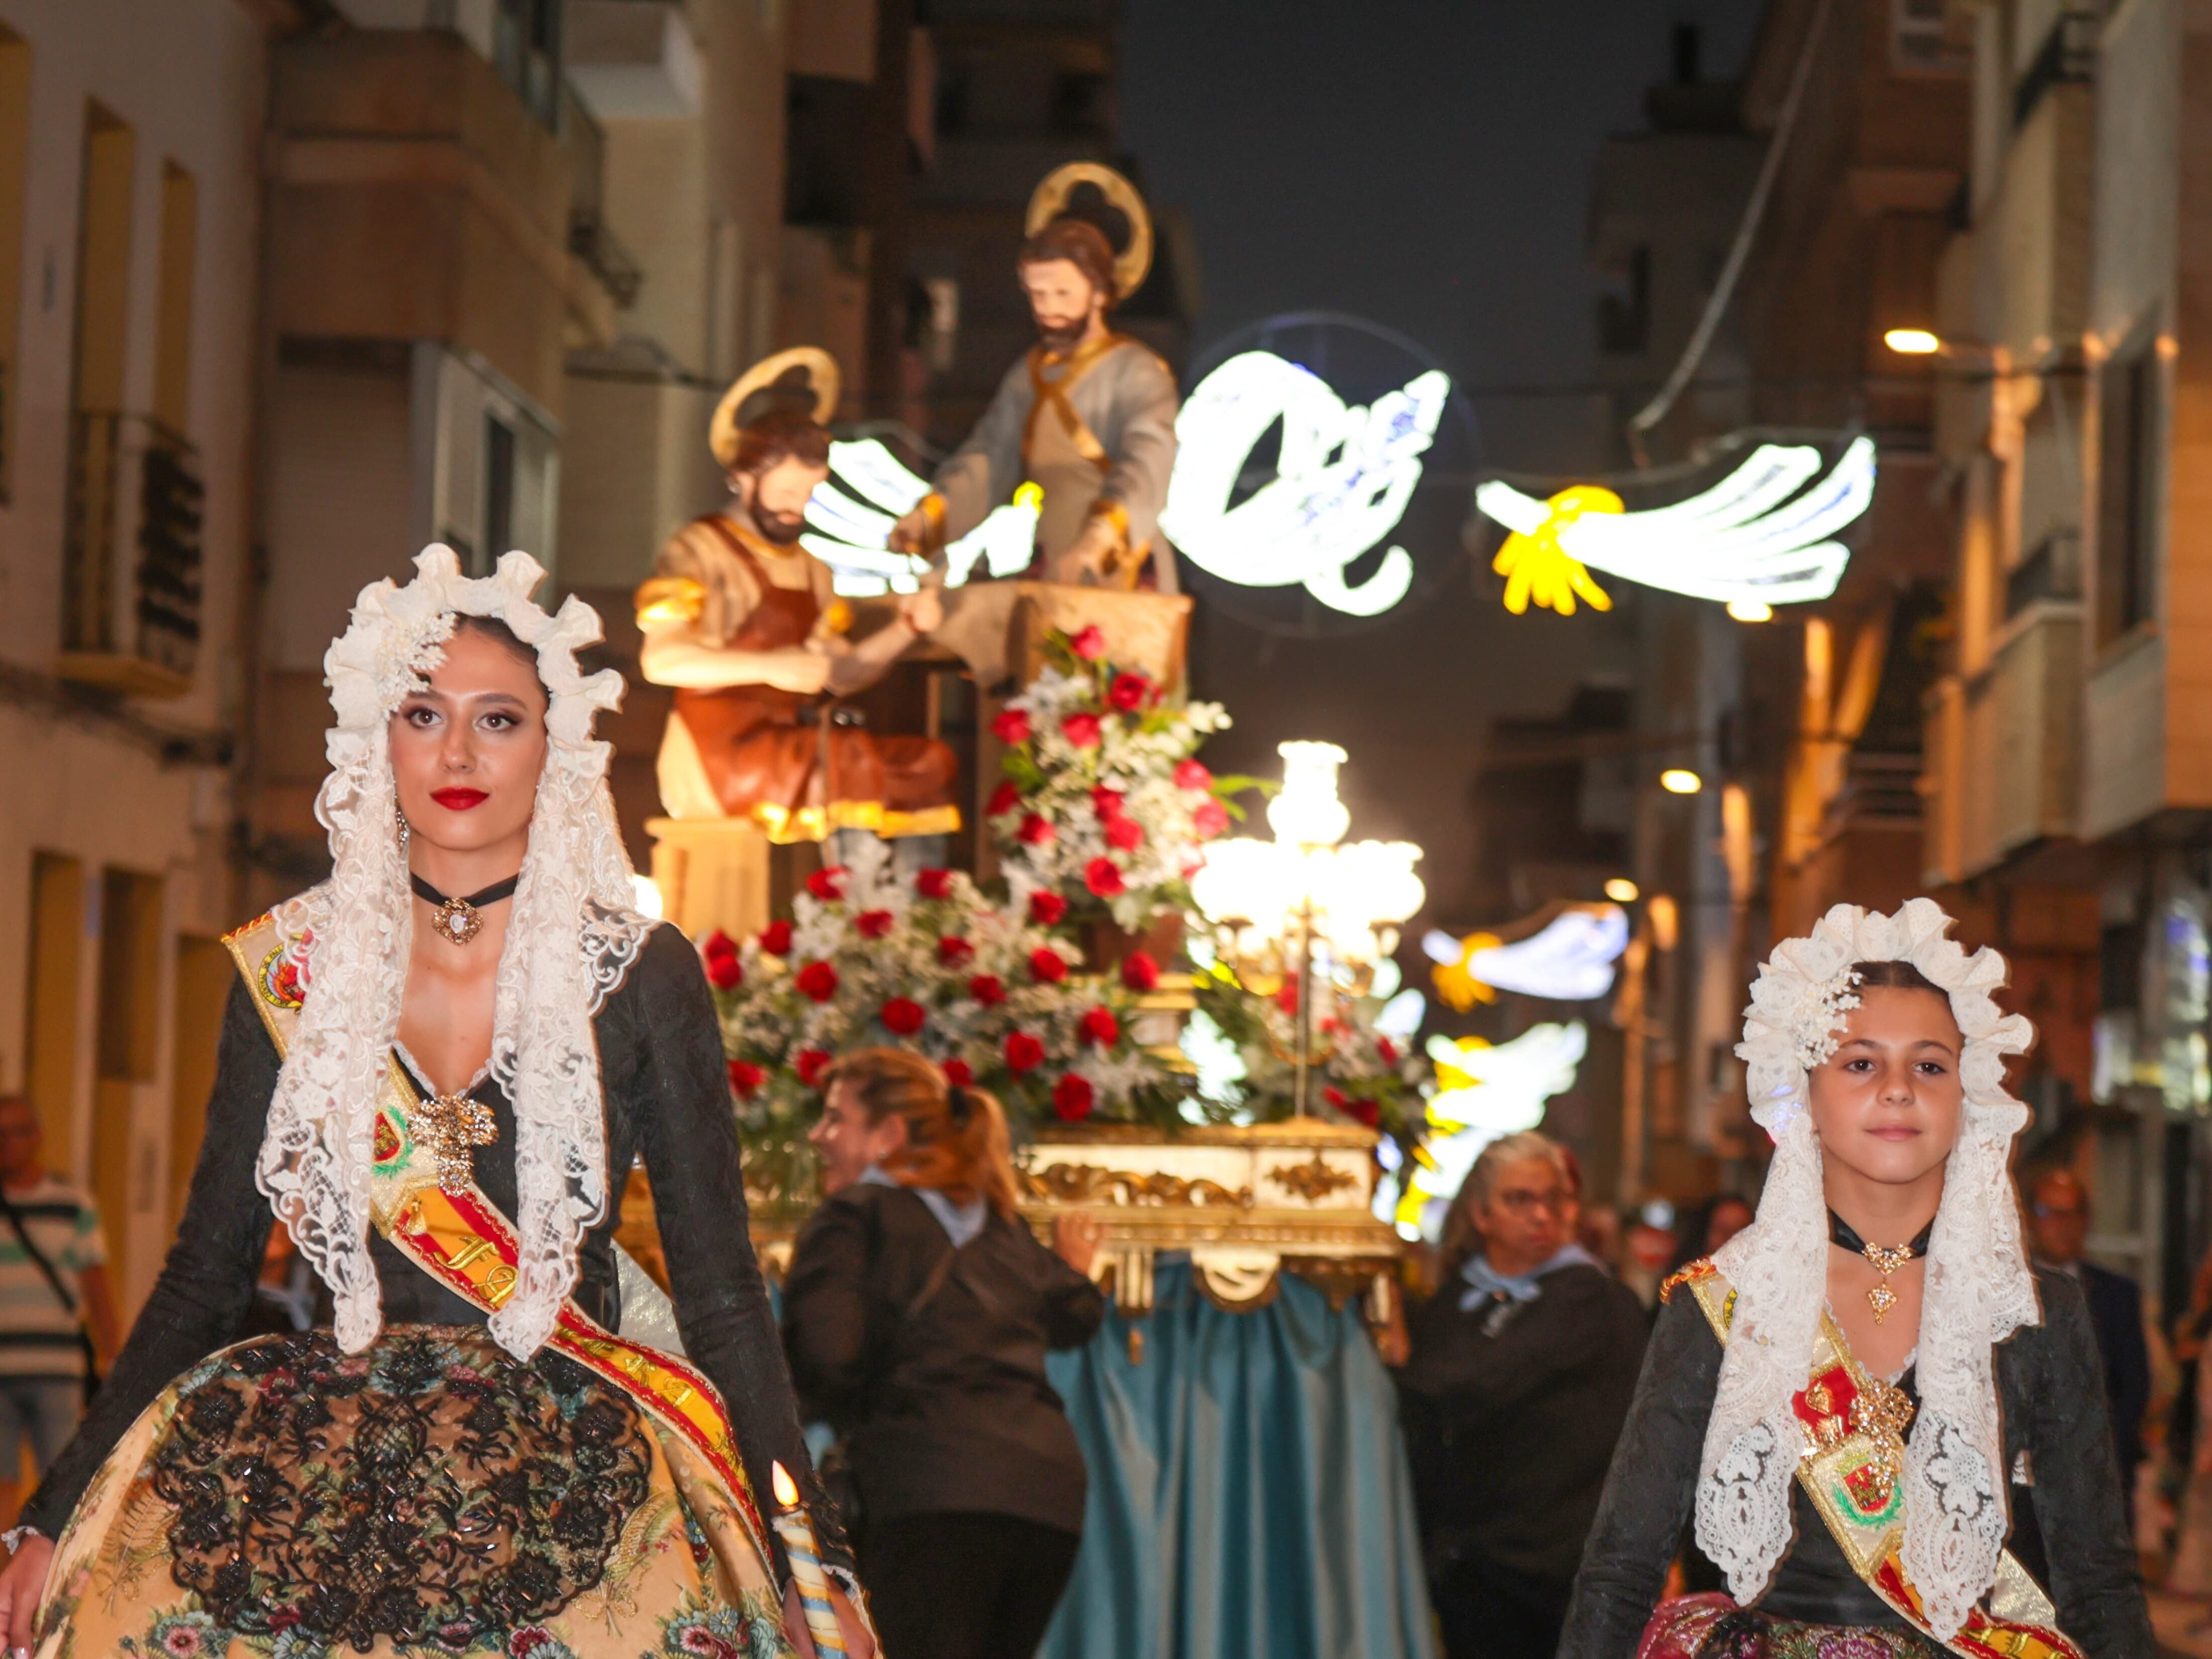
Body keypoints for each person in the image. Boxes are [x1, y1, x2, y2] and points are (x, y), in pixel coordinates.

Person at [0, 548, 870, 1659]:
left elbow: (723, 1293)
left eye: (497, 718)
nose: (457, 751)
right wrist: (51, 1513)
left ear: (554, 745)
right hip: (318, 1475)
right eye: (424, 711)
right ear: (379, 735)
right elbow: (199, 1282)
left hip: (585, 1463)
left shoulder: (641, 972)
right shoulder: (290, 968)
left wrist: (812, 1559)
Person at [1561, 900, 2154, 1659]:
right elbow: (1621, 1570)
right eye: (1861, 1062)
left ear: (1968, 1092)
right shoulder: (1722, 1302)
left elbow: (2097, 1583)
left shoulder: (2034, 1308)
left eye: (1930, 1064)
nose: (1899, 1088)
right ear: (1802, 1088)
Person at [781, 1048, 1105, 1659]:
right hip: (1044, 1498)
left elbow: (827, 1357)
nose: (817, 1134)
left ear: (889, 1135)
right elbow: (1075, 1312)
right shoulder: (1001, 1228)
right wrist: (1076, 1270)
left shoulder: (854, 1216)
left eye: (834, 1118)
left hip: (926, 1490)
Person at [637, 346, 959, 853]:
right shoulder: (698, 549)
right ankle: (852, 903)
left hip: (792, 743)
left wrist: (906, 630)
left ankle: (902, 919)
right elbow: (660, 660)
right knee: (844, 762)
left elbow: (840, 673)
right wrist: (769, 667)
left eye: (808, 495)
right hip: (719, 749)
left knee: (924, 763)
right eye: (786, 491)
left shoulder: (813, 567)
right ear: (743, 478)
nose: (796, 509)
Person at [1397, 1130, 1650, 1659]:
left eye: (1550, 1199)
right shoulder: (1459, 1293)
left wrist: (1396, 1355)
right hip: (1468, 1564)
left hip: (1550, 1567)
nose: (1540, 1215)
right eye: (1519, 1199)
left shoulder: (1590, 1297)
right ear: (1481, 1214)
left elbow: (1469, 1381)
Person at [889, 163, 1179, 592]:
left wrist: (1101, 536)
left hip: (1121, 557)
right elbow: (990, 457)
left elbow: (1147, 459)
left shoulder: (1135, 371)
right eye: (1038, 295)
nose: (1048, 309)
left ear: (1099, 293)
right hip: (1050, 554)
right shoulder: (1029, 374)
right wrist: (933, 515)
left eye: (1063, 294)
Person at [0, 1097, 117, 1526]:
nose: (8, 1143)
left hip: (57, 1364)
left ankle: (45, 1579)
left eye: (18, 1131)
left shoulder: (72, 1204)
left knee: (58, 1478)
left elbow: (97, 1285)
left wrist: (114, 1353)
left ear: (37, 1137)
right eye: (0, 1133)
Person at [2023, 1160, 2151, 1527]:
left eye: (2072, 1213)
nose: (2062, 1224)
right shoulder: (2006, 1289)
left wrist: (2099, 1451)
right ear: (2029, 1218)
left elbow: (2134, 1385)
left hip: (2100, 1475)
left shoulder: (2116, 1294)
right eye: (2050, 1212)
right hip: (2025, 1475)